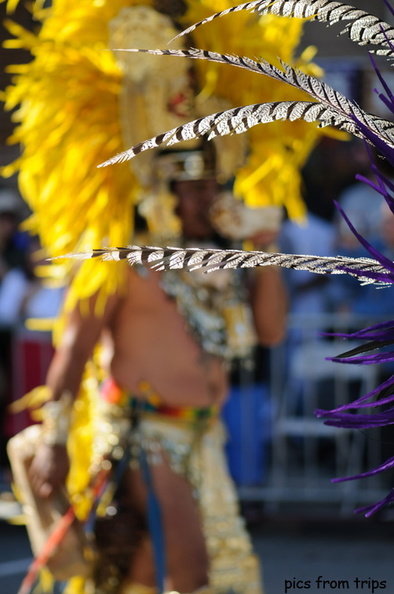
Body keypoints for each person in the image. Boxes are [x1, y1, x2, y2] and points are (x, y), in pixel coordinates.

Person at [28, 146, 287, 594]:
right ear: (160, 194)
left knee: (143, 572)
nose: (209, 200)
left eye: (213, 186)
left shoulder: (222, 262)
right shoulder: (121, 260)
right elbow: (73, 350)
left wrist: (265, 245)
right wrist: (54, 439)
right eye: (193, 189)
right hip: (145, 434)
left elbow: (271, 331)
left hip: (205, 437)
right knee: (190, 573)